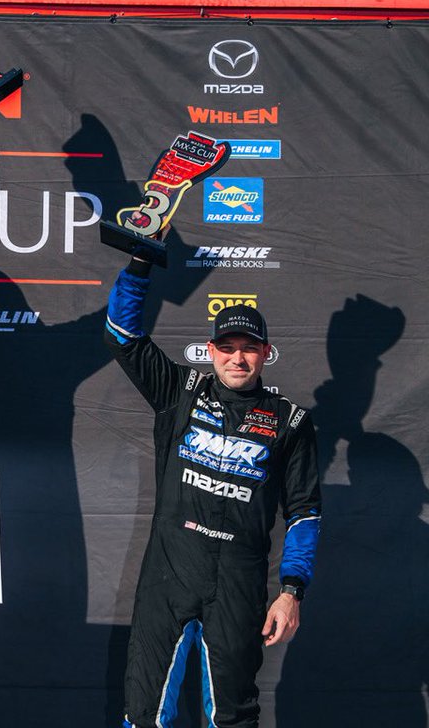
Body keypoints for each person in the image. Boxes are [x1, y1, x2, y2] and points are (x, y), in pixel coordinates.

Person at [105, 220, 322, 726]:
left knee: (234, 715)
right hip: (168, 574)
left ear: (266, 353)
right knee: (142, 712)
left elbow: (305, 513)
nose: (237, 357)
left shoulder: (291, 421)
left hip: (238, 584)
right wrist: (139, 263)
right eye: (227, 347)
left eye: (248, 347)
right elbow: (123, 336)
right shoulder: (181, 391)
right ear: (211, 350)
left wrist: (291, 592)